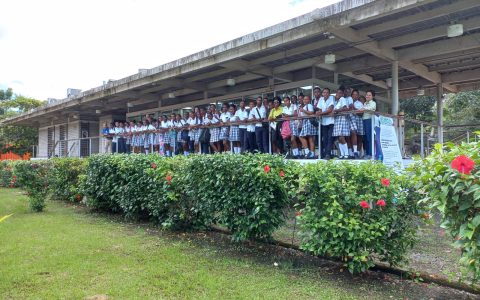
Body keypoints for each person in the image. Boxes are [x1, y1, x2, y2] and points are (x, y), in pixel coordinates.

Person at [316, 88, 335, 159]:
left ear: (329, 93)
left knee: (330, 138)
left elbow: (330, 109)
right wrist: (321, 112)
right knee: (325, 138)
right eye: (324, 92)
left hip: (331, 122)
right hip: (323, 122)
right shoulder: (321, 99)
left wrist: (321, 113)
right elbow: (319, 110)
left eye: (327, 92)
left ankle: (328, 154)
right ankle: (325, 154)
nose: (325, 94)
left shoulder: (331, 98)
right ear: (322, 93)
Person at [333, 88, 350, 159]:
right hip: (338, 120)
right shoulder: (337, 101)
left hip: (342, 119)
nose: (338, 94)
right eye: (337, 93)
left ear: (343, 94)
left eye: (340, 93)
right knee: (339, 138)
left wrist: (337, 110)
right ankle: (342, 154)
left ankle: (346, 154)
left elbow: (346, 108)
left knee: (341, 137)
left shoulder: (342, 99)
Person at [362, 90, 377, 159]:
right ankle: (367, 153)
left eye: (369, 95)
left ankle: (370, 154)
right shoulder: (365, 103)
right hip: (364, 120)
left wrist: (363, 109)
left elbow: (371, 109)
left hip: (369, 120)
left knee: (369, 137)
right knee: (365, 138)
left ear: (372, 96)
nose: (367, 96)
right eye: (367, 95)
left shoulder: (373, 103)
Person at [350, 89, 364, 158]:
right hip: (351, 120)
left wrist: (354, 108)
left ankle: (357, 152)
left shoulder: (360, 103)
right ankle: (353, 152)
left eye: (356, 95)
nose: (354, 96)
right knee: (353, 134)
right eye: (353, 94)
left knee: (360, 137)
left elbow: (361, 114)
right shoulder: (349, 102)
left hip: (359, 121)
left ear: (358, 96)